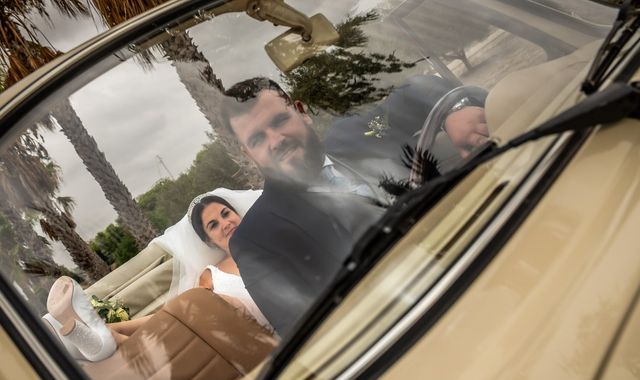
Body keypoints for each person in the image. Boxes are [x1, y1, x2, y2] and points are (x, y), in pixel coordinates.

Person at [220, 77, 489, 337]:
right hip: (423, 330)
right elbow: (310, 334)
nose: (276, 140)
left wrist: (455, 110)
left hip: (488, 239)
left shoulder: (362, 133)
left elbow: (416, 91)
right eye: (257, 139)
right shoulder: (257, 240)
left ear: (302, 112)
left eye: (280, 120)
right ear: (249, 155)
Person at [44, 188, 274, 362]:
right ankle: (110, 334)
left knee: (205, 306)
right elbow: (178, 313)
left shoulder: (275, 242)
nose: (225, 224)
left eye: (226, 214)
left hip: (267, 329)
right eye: (213, 225)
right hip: (224, 336)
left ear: (239, 214)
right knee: (193, 305)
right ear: (209, 241)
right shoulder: (210, 274)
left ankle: (108, 335)